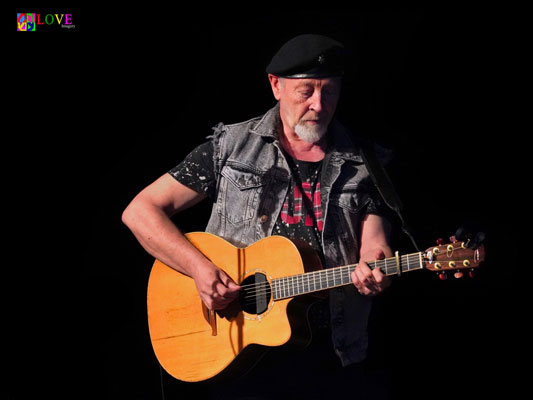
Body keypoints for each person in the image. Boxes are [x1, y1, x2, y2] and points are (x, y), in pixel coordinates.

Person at [122, 33, 394, 399]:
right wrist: (199, 269)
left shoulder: (368, 163)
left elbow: (374, 244)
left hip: (330, 354)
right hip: (236, 350)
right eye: (306, 91)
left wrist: (375, 266)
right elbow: (140, 211)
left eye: (329, 91)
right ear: (276, 85)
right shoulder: (230, 146)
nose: (319, 104)